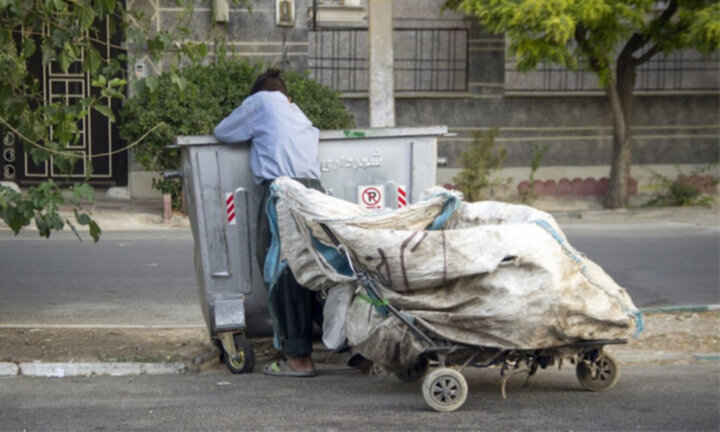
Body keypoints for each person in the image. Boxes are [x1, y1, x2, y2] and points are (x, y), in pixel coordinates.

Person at [214, 69, 323, 377]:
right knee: (318, 268)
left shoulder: (262, 101)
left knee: (281, 270)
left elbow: (223, 131)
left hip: (283, 193)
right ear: (289, 95)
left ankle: (299, 358)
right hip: (315, 193)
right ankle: (351, 345)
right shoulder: (297, 112)